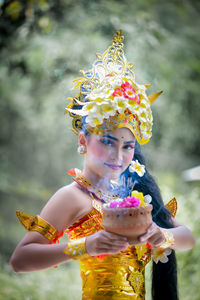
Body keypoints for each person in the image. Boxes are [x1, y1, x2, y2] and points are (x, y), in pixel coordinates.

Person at [10, 30, 194, 300]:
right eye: (107, 142)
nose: (118, 155)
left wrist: (161, 235)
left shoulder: (134, 196)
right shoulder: (72, 196)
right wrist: (84, 246)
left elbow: (187, 238)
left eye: (127, 146)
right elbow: (20, 260)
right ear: (83, 140)